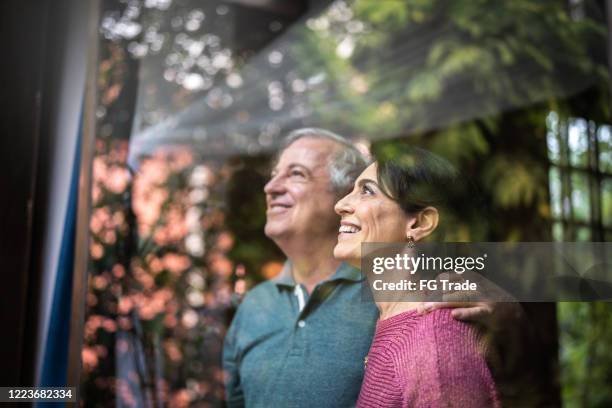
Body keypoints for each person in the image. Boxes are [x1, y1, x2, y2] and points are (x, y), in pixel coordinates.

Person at [223, 129, 511, 407]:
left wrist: (511, 315)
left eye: (297, 173)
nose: (270, 187)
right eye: (274, 174)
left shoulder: (434, 330)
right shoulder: (253, 307)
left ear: (419, 223)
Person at [333, 147, 500, 407]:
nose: (340, 205)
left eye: (366, 191)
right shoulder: (393, 323)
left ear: (419, 224)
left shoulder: (435, 342)